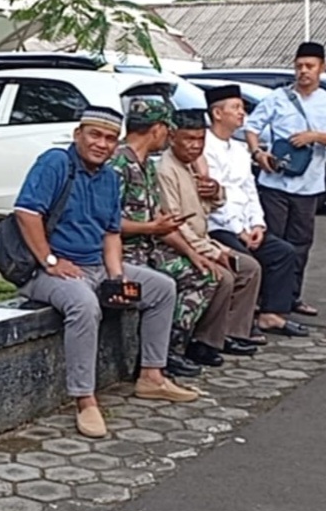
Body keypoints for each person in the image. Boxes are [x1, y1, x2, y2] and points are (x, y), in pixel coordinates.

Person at [14, 105, 198, 439]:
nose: (101, 144)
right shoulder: (55, 163)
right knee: (84, 305)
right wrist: (50, 261)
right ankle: (85, 399)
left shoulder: (110, 178)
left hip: (96, 266)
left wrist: (116, 277)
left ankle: (152, 376)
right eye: (94, 135)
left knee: (162, 288)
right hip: (46, 271)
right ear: (78, 135)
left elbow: (111, 233)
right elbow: (27, 213)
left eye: (110, 138)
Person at [243, 41, 326, 318]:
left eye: (310, 66)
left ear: (322, 68)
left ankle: (291, 297)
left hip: (309, 185)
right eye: (299, 66)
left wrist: (314, 136)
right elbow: (251, 128)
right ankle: (264, 299)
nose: (303, 71)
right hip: (274, 183)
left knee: (300, 243)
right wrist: (258, 153)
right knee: (272, 241)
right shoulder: (277, 98)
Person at [113, 102, 221, 374]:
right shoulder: (119, 165)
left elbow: (160, 219)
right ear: (156, 129)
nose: (168, 137)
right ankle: (158, 356)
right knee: (169, 284)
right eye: (167, 130)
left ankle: (171, 349)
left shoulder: (146, 166)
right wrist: (150, 228)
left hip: (151, 249)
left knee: (203, 273)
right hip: (123, 254)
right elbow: (107, 223)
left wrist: (192, 253)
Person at [155, 108, 264, 364]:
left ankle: (230, 333)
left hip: (202, 239)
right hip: (176, 244)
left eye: (200, 139)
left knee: (250, 268)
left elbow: (211, 206)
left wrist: (215, 190)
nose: (195, 146)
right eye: (189, 139)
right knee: (222, 276)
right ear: (172, 137)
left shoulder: (193, 164)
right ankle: (201, 342)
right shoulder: (166, 169)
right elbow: (175, 224)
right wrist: (213, 252)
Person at [202, 84, 308, 339]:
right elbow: (215, 198)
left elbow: (250, 190)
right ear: (217, 113)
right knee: (247, 261)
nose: (242, 113)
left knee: (284, 252)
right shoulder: (204, 147)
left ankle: (271, 314)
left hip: (245, 225)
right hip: (219, 225)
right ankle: (236, 323)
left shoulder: (239, 149)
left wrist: (257, 225)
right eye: (236, 108)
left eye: (242, 108)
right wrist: (240, 231)